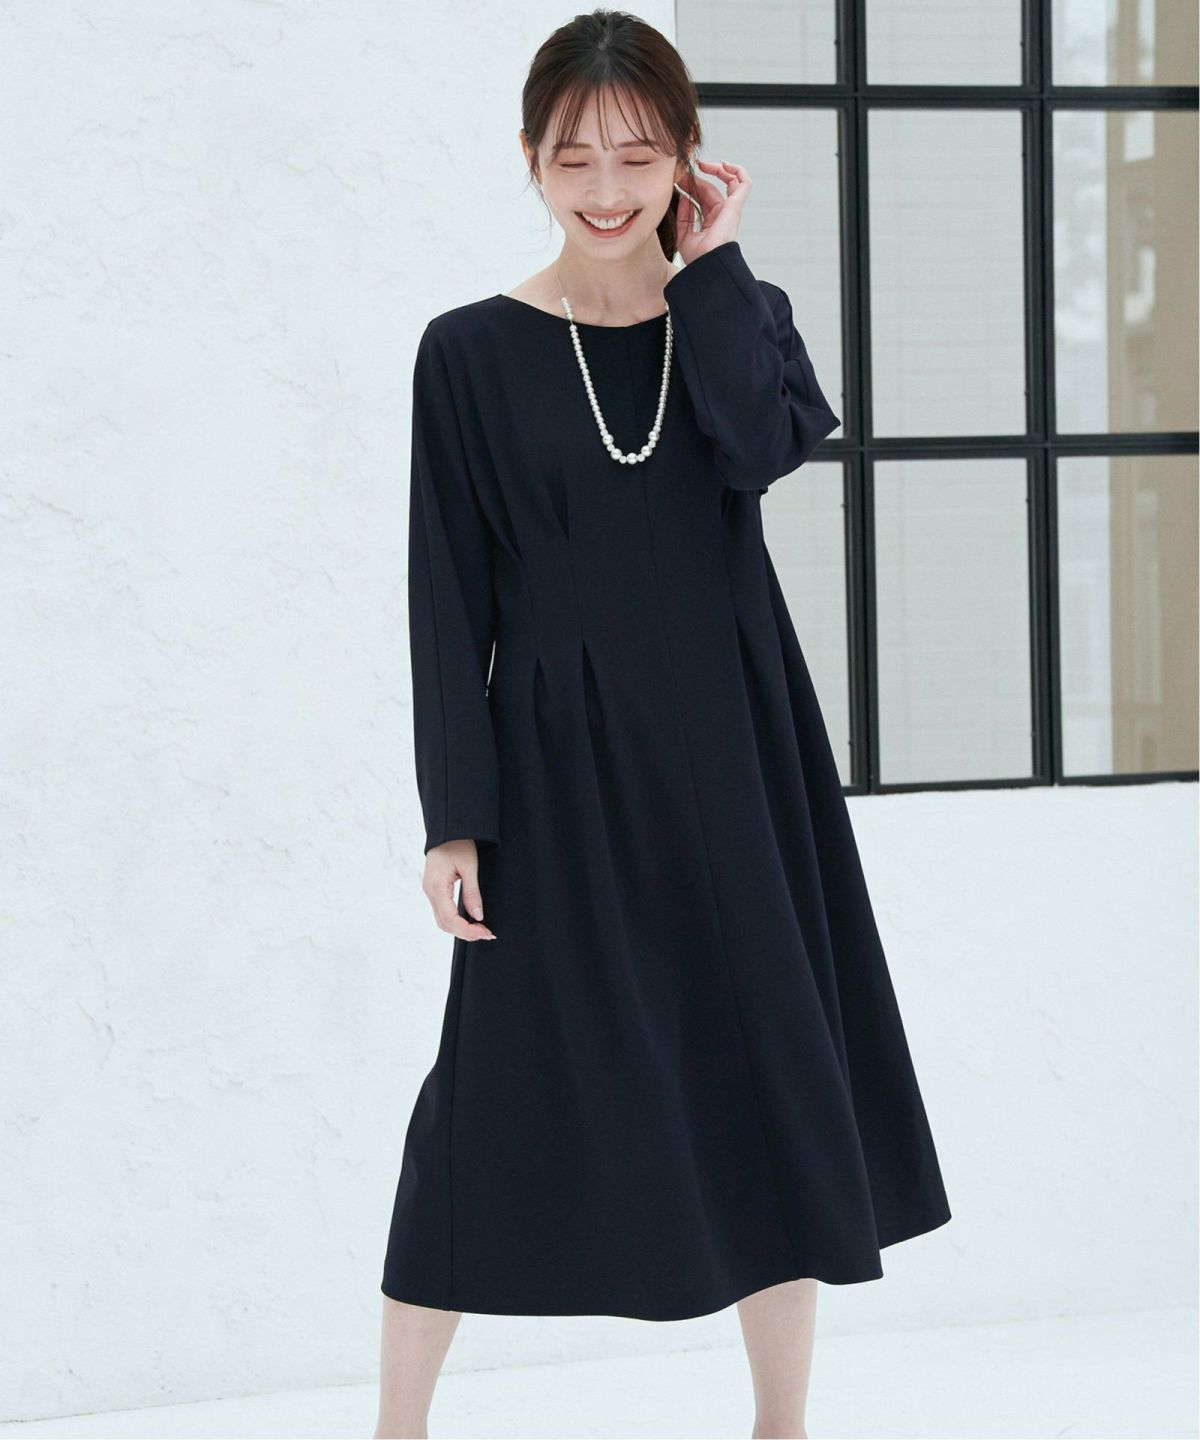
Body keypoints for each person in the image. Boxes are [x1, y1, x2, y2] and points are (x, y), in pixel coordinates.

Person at [376, 11, 951, 1439]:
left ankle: (781, 1424)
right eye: (575, 157)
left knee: (770, 1074)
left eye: (639, 155)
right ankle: (396, 1427)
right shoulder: (467, 353)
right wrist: (457, 819)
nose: (606, 187)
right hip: (555, 765)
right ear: (530, 159)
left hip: (737, 750)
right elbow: (447, 601)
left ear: (688, 159)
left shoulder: (735, 315)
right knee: (481, 1102)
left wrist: (719, 270)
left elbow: (762, 447)